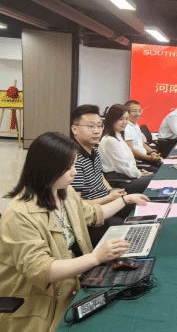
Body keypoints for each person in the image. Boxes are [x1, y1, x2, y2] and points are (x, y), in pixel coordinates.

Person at [0, 132, 149, 332]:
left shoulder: (64, 193)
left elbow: (93, 214)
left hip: (73, 282)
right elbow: (41, 270)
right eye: (69, 167)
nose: (75, 172)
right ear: (48, 169)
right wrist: (96, 257)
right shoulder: (19, 214)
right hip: (42, 301)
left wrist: (125, 200)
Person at [70, 104, 135, 245]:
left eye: (99, 126)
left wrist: (111, 191)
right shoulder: (74, 159)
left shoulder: (95, 150)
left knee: (140, 207)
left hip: (106, 201)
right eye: (90, 126)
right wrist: (108, 198)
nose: (97, 131)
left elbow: (100, 176)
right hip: (92, 215)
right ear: (74, 129)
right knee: (129, 229)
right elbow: (75, 204)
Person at [98, 104, 154, 194]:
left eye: (127, 119)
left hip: (127, 176)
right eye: (121, 119)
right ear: (112, 119)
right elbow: (122, 166)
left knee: (157, 177)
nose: (125, 122)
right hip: (120, 181)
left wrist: (138, 172)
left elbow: (127, 163)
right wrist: (138, 174)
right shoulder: (110, 140)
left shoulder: (118, 136)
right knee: (157, 180)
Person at [124, 100, 162, 171]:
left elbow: (142, 143)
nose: (138, 114)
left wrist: (152, 152)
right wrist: (149, 158)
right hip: (137, 161)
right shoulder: (126, 127)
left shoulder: (135, 125)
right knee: (161, 172)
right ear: (127, 113)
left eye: (139, 111)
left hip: (144, 157)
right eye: (134, 111)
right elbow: (131, 150)